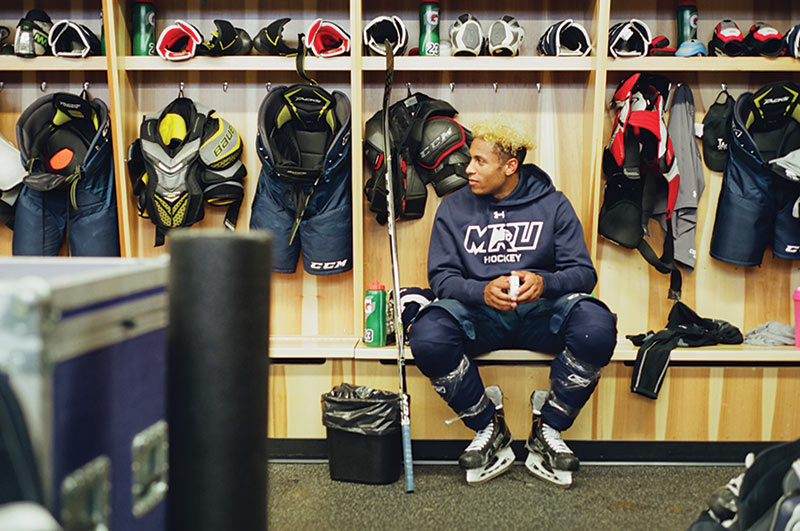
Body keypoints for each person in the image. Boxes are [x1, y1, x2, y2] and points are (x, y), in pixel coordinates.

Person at [407, 119, 617, 487]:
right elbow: (441, 279)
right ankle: (488, 427)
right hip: (481, 316)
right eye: (469, 159)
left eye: (479, 161)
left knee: (596, 328)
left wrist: (545, 282)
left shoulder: (552, 204)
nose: (468, 169)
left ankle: (548, 427)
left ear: (509, 166)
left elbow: (583, 274)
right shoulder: (453, 208)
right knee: (428, 335)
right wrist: (480, 291)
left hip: (540, 315)